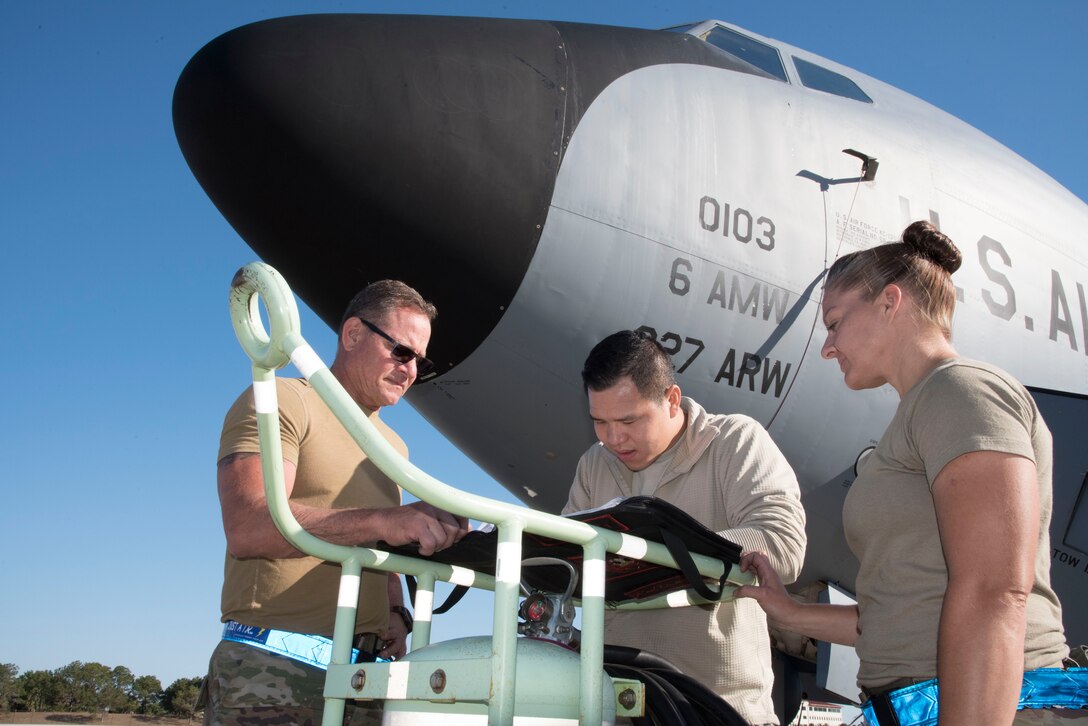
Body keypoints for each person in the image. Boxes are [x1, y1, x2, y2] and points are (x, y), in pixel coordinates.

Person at [736, 221, 1087, 725]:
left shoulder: (962, 391)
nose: (827, 346)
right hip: (918, 706)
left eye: (834, 322)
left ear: (889, 302)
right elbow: (897, 615)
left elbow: (995, 591)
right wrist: (790, 612)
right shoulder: (921, 412)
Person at [201, 280, 470, 726]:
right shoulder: (282, 401)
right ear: (352, 335)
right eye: (402, 352)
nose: (410, 371)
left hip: (364, 680)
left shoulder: (393, 446)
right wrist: (386, 519)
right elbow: (248, 525)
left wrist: (398, 611)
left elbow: (377, 544)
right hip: (274, 669)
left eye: (420, 361)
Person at [563, 330, 807, 725]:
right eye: (599, 422)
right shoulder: (594, 464)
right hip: (616, 707)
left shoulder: (736, 441)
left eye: (628, 420)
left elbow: (782, 543)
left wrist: (661, 551)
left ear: (672, 399)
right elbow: (564, 559)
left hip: (720, 709)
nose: (613, 438)